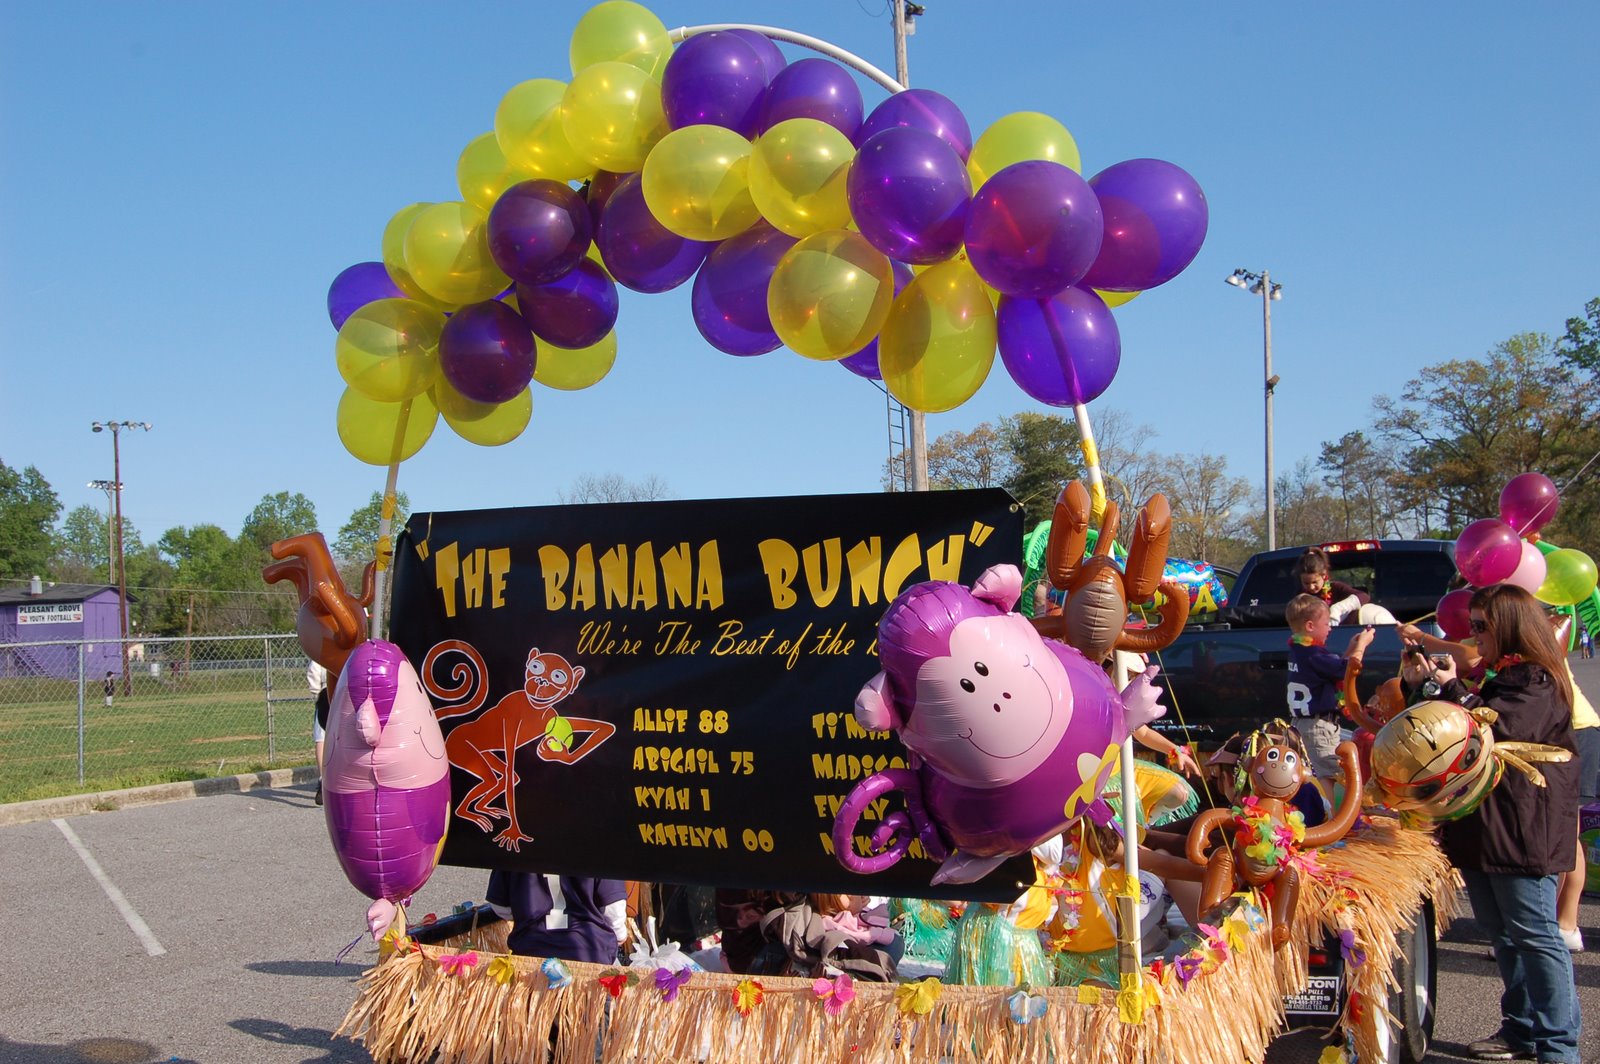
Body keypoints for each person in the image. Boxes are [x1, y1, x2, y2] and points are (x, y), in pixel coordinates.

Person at [1404, 584, 1580, 1063]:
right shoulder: (1501, 676)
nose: (1473, 635)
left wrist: (1452, 688)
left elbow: (1494, 731)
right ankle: (1522, 1029)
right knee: (1503, 933)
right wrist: (1438, 684)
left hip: (1522, 828)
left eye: (1481, 626)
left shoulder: (1537, 679)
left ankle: (1559, 1046)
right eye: (1471, 625)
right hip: (1487, 827)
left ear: (1510, 626)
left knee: (1535, 934)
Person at [1285, 594, 1374, 783]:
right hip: (1317, 727)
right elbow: (1348, 670)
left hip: (1303, 724)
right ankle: (1330, 812)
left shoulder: (1299, 651)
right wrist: (1362, 646)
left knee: (1316, 771)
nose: (1330, 628)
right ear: (1310, 626)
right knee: (1327, 775)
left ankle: (1327, 810)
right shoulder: (1313, 654)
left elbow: (1332, 670)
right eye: (1326, 624)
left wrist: (1350, 650)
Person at [486, 870, 628, 964]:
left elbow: (500, 906)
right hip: (590, 954)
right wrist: (619, 933)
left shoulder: (519, 840)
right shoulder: (595, 836)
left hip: (531, 953)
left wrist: (525, 912)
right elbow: (613, 907)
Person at [1296, 547, 1370, 626]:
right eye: (1306, 583)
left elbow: (1364, 596)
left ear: (1323, 575)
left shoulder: (1336, 588)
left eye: (1315, 582)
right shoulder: (1301, 597)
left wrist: (1338, 608)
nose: (1311, 587)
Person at [308, 659, 329, 807]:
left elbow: (313, 672)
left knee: (321, 738)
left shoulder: (323, 648)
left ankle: (323, 778)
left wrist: (316, 691)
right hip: (347, 691)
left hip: (325, 691)